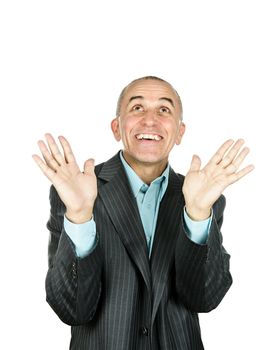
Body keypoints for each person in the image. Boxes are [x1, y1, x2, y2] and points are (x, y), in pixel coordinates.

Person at [33, 76, 254, 350]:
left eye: (164, 110)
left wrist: (197, 214)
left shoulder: (201, 196)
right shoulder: (76, 192)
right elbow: (71, 309)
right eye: (137, 108)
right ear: (116, 127)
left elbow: (203, 299)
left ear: (180, 132)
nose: (150, 120)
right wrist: (79, 215)